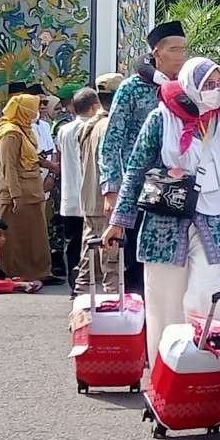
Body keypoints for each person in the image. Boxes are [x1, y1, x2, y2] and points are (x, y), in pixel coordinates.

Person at [101, 57, 220, 362]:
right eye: (208, 84)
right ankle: (166, 375)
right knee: (165, 305)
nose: (216, 90)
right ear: (189, 86)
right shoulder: (161, 118)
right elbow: (136, 168)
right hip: (165, 224)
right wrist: (119, 219)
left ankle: (206, 367)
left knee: (207, 295)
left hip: (215, 221)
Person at [100, 21, 187, 294]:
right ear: (156, 52)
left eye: (184, 50)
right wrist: (111, 188)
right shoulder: (132, 88)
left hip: (178, 187)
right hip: (139, 188)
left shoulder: (187, 89)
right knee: (138, 264)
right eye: (174, 50)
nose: (180, 56)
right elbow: (111, 140)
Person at [0, 94, 53, 283]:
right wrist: (15, 195)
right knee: (14, 237)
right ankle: (13, 272)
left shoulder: (25, 130)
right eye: (32, 108)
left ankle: (39, 271)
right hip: (16, 195)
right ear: (23, 110)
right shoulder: (10, 133)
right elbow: (8, 167)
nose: (36, 112)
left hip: (33, 193)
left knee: (35, 236)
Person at [74, 74, 123, 295]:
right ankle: (112, 299)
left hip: (91, 198)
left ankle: (82, 293)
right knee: (110, 255)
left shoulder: (91, 125)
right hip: (107, 199)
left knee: (90, 252)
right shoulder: (109, 126)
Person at [54, 88, 98, 293]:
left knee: (72, 241)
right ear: (93, 106)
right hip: (91, 194)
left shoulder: (64, 130)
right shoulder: (95, 126)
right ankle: (89, 280)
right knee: (92, 240)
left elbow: (59, 155)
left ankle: (76, 283)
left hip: (70, 193)